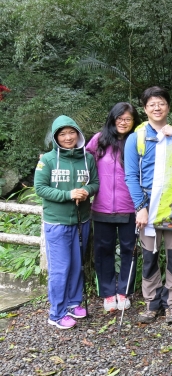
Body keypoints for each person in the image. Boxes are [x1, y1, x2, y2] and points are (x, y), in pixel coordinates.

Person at [124, 86, 172, 324]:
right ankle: (152, 302)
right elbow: (130, 176)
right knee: (150, 256)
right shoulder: (136, 138)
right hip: (148, 205)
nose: (157, 107)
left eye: (161, 103)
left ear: (168, 107)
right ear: (145, 109)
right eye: (152, 104)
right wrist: (140, 206)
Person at [34, 115, 99, 329]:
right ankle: (56, 313)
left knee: (77, 265)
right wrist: (68, 195)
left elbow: (95, 183)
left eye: (72, 132)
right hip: (57, 222)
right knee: (60, 268)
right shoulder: (48, 160)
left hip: (82, 219)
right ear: (55, 137)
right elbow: (40, 188)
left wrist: (86, 191)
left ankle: (73, 303)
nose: (68, 137)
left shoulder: (87, 158)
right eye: (62, 134)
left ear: (78, 134)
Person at [86, 102, 141, 312]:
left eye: (128, 119)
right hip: (101, 206)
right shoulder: (99, 140)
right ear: (112, 119)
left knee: (130, 250)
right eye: (120, 118)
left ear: (134, 121)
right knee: (103, 251)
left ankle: (124, 292)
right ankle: (108, 294)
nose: (123, 122)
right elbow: (82, 160)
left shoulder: (136, 141)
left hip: (130, 207)